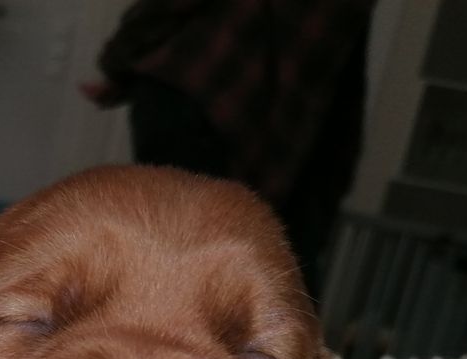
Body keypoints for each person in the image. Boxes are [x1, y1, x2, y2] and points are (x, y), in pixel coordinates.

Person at [82, 0, 375, 303]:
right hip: (210, 110)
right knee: (187, 253)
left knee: (181, 250)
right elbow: (344, 104)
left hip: (195, 100)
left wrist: (119, 63)